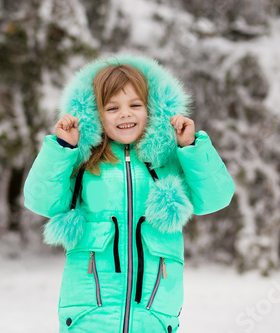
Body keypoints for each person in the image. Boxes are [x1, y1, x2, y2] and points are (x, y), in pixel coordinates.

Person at [23, 54, 235, 333]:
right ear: (96, 115)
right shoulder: (84, 162)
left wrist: (192, 147)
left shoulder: (167, 160)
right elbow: (41, 200)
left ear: (152, 110)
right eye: (112, 108)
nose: (125, 114)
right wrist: (62, 149)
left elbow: (216, 198)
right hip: (89, 311)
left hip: (155, 310)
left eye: (135, 105)